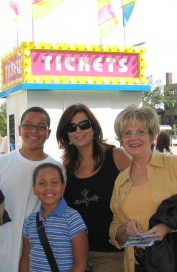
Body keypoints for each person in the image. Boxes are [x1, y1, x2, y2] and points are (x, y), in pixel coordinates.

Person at [0, 106, 65, 272]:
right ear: (20, 129)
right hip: (1, 247)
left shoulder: (57, 169)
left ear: (48, 133)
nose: (34, 131)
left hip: (38, 252)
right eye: (28, 125)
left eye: (41, 126)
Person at [56, 103, 131, 272]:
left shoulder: (116, 156)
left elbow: (141, 189)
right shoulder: (66, 167)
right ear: (66, 134)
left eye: (84, 124)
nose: (79, 131)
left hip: (111, 254)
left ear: (94, 128)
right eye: (72, 127)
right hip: (75, 254)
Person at [109, 104, 177, 272]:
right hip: (138, 264)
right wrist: (125, 230)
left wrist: (167, 226)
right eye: (127, 133)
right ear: (121, 140)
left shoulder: (176, 166)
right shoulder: (121, 180)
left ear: (152, 135)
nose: (134, 138)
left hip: (175, 261)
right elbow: (115, 226)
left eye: (141, 132)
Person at [19, 163, 88, 272]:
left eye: (54, 182)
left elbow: (80, 263)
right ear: (35, 188)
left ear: (63, 187)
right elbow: (25, 260)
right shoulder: (30, 222)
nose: (49, 187)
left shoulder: (73, 219)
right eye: (42, 183)